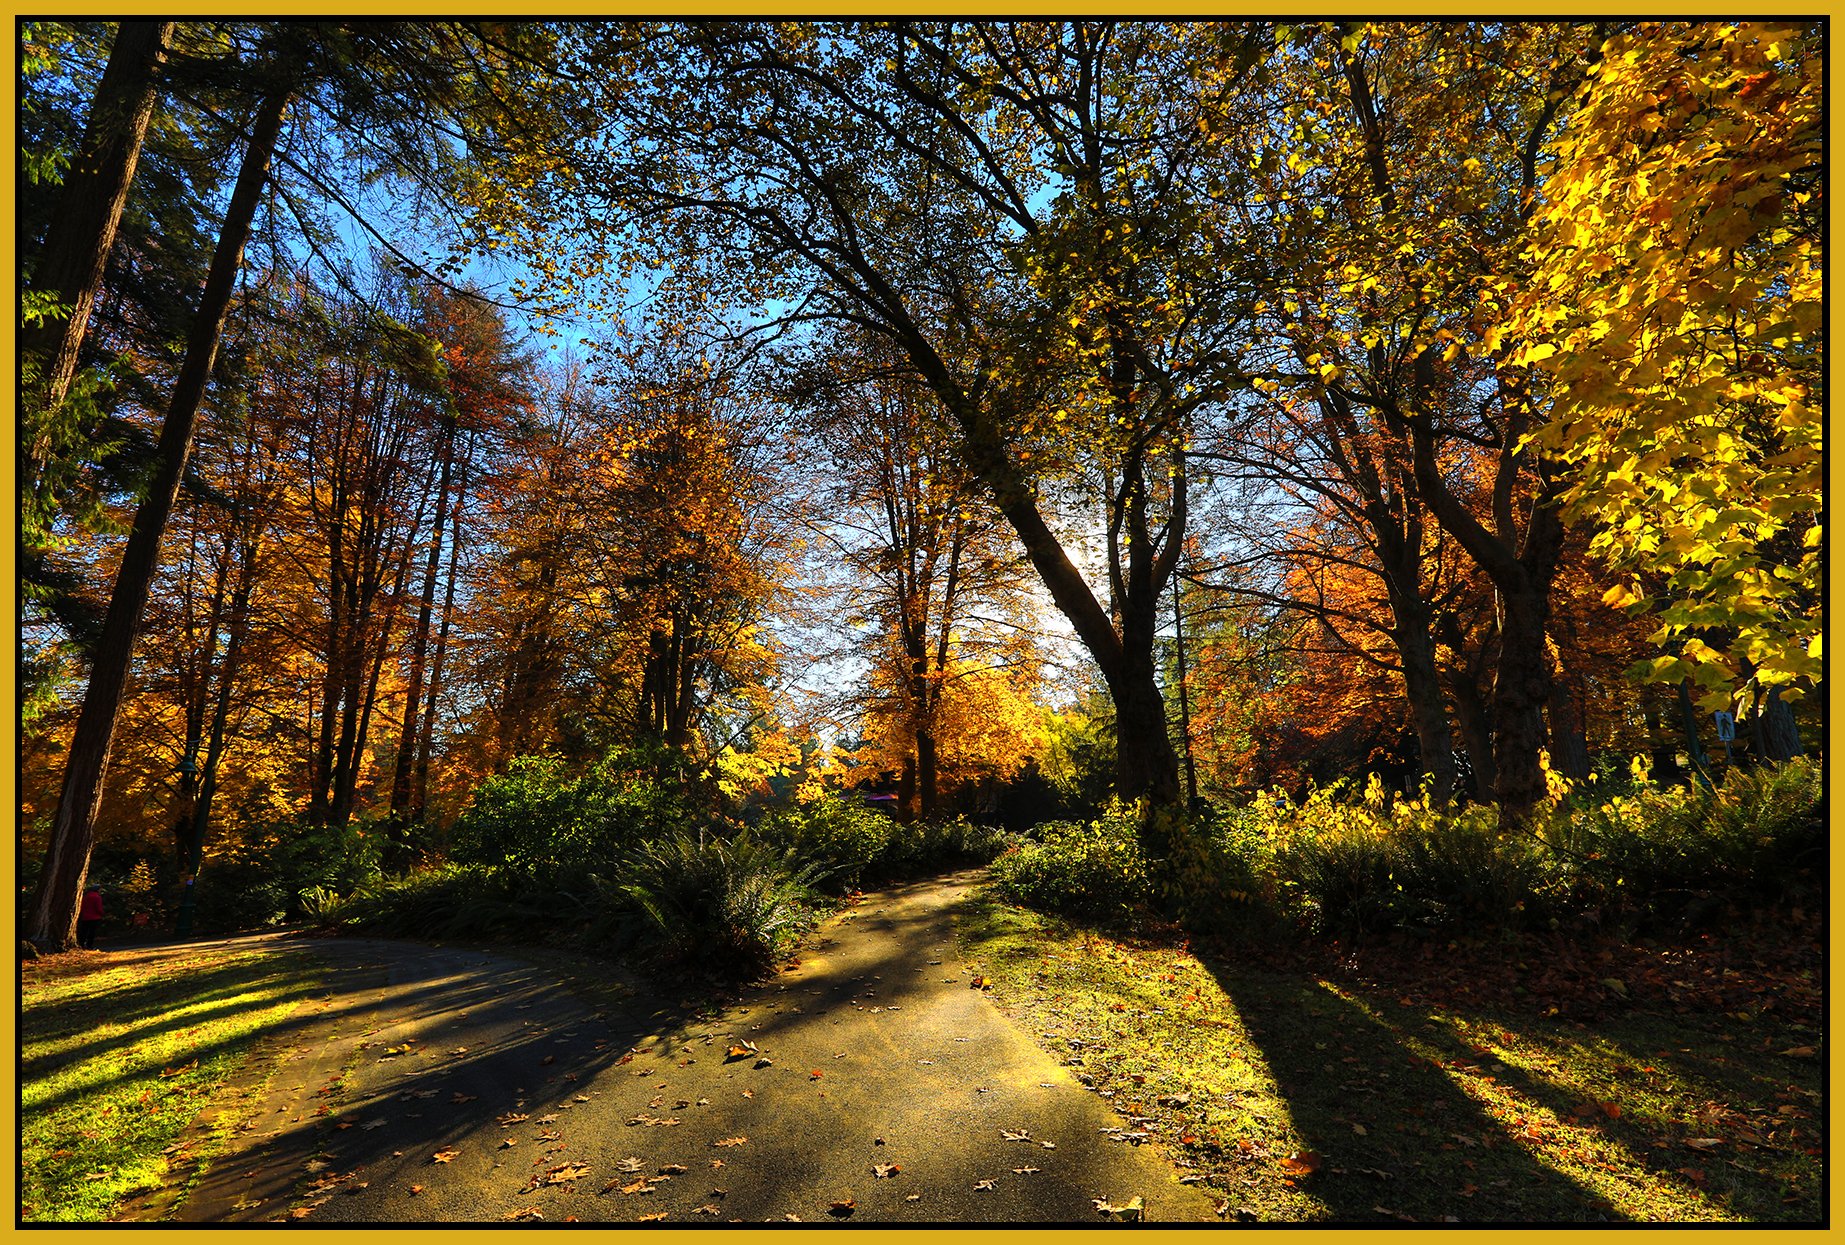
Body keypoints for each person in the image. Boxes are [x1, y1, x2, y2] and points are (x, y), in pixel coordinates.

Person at [77, 885, 104, 950]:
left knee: (84, 931)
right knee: (92, 932)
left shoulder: (85, 896)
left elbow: (82, 906)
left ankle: (81, 944)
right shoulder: (97, 897)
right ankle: (89, 945)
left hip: (85, 917)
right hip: (94, 917)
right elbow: (98, 908)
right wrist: (102, 913)